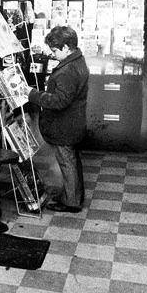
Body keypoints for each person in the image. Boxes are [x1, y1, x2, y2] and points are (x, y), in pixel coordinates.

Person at [28, 26, 89, 213]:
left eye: (55, 50)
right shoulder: (77, 60)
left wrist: (33, 95)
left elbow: (59, 101)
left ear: (67, 48)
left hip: (65, 126)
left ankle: (71, 202)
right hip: (73, 123)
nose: (53, 55)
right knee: (71, 160)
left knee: (67, 161)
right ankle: (74, 196)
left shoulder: (68, 70)